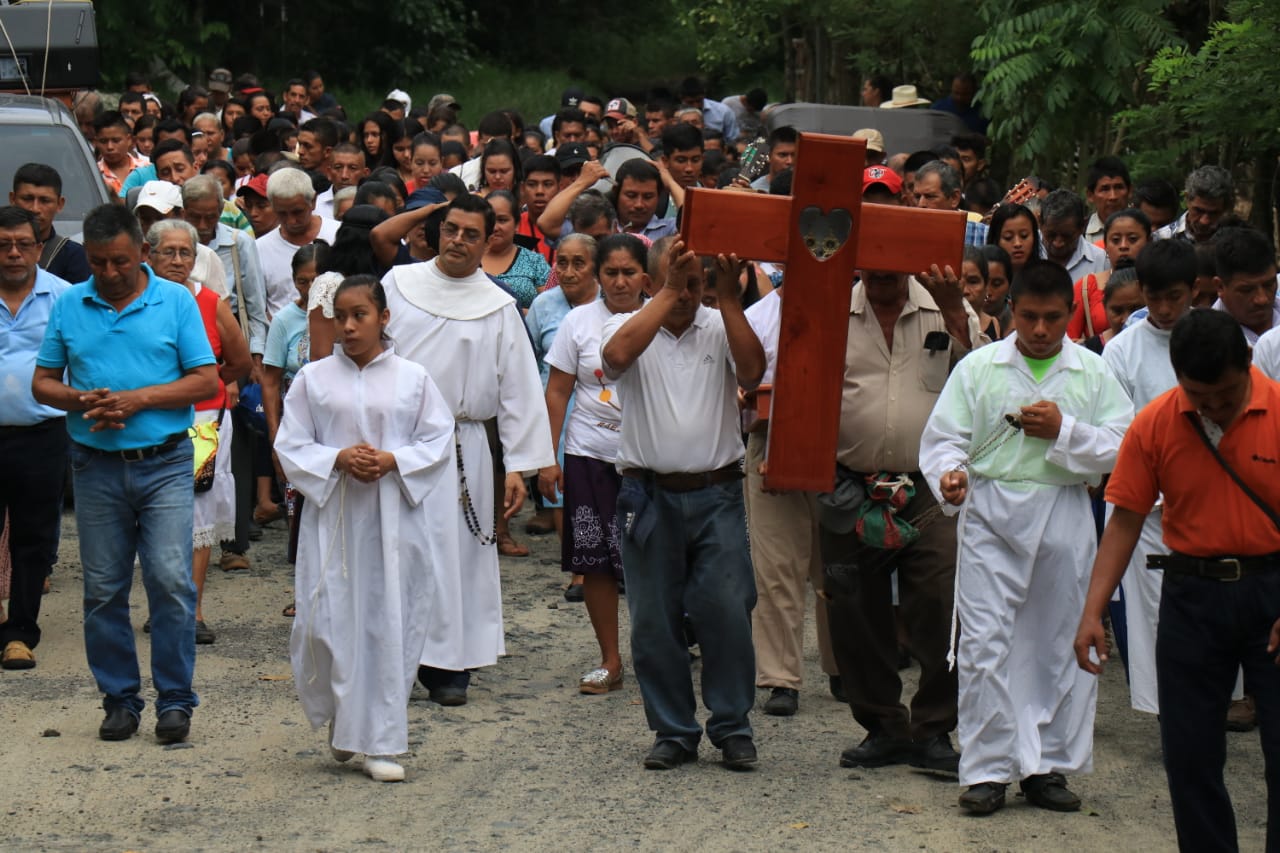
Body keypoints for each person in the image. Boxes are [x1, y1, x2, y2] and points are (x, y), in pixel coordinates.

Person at [920, 259, 1134, 814]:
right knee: (986, 642)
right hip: (992, 510)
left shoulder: (1091, 370)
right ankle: (987, 769)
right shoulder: (981, 367)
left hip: (1063, 511)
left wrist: (1065, 432)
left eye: (1054, 318)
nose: (1040, 330)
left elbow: (1123, 443)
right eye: (1030, 316)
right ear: (1011, 308)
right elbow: (944, 437)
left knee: (1059, 637)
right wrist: (949, 474)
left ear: (1070, 314)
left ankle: (1048, 766)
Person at [1075, 309, 1280, 851]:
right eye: (1198, 395)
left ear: (1247, 368)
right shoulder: (1157, 421)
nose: (1211, 407)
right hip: (1191, 597)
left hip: (1273, 592)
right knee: (1189, 756)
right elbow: (1123, 519)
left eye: (1224, 395)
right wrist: (1093, 612)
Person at [32, 204, 219, 743]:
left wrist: (138, 401)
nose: (109, 273)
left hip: (163, 462)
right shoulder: (71, 303)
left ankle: (175, 701)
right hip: (94, 467)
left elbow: (204, 379)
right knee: (103, 590)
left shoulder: (175, 301)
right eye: (97, 263)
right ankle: (119, 699)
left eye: (118, 261)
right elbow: (43, 382)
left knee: (170, 581)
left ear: (141, 251)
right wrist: (80, 399)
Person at [275, 275, 461, 784]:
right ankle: (344, 720)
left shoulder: (413, 378)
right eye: (342, 316)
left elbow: (438, 438)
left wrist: (392, 459)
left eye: (361, 315)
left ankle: (380, 740)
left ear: (384, 317)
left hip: (392, 519)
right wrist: (335, 457)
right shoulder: (314, 379)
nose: (350, 325)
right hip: (333, 517)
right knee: (325, 622)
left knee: (387, 622)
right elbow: (291, 443)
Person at [381, 194, 555, 706]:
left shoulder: (497, 306)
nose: (458, 240)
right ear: (438, 231)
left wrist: (520, 467)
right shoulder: (399, 284)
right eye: (451, 229)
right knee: (397, 547)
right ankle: (392, 656)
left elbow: (520, 389)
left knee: (456, 551)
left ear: (487, 240)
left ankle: (448, 663)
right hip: (399, 440)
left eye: (470, 233)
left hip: (463, 445)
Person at [600, 239, 765, 771]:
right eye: (678, 281)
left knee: (726, 611)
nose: (689, 294)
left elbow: (752, 373)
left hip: (716, 492)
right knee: (653, 618)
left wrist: (730, 300)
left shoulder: (720, 324)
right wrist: (670, 290)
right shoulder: (624, 327)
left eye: (697, 284)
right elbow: (616, 358)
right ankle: (672, 730)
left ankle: (733, 727)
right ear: (652, 283)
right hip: (646, 495)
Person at [821, 256, 982, 769]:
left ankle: (934, 729)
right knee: (853, 607)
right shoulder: (829, 310)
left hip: (932, 486)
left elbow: (986, 372)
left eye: (892, 257)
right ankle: (884, 727)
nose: (880, 268)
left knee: (940, 601)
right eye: (869, 258)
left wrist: (956, 310)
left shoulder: (944, 303)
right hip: (849, 483)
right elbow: (802, 383)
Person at [1093, 239, 1197, 716]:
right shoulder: (1121, 352)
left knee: (1207, 605)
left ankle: (1213, 701)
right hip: (1147, 504)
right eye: (1153, 297)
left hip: (1204, 498)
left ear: (1193, 291)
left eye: (1173, 297)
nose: (1162, 308)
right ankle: (1171, 712)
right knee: (1155, 613)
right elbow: (1120, 431)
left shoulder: (1211, 339)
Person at [539, 234, 646, 691]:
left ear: (646, 275)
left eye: (629, 272)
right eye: (611, 272)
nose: (620, 282)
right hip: (588, 455)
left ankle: (659, 655)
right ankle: (611, 660)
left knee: (651, 560)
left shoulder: (658, 318)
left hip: (646, 460)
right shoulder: (578, 322)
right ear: (598, 275)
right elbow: (558, 390)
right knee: (596, 561)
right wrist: (548, 457)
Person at [146, 219, 251, 645]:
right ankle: (161, 608)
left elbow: (241, 362)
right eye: (167, 252)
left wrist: (208, 386)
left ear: (196, 258)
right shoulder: (136, 301)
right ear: (148, 256)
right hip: (148, 421)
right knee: (152, 514)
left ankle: (192, 610)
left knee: (198, 515)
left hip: (202, 426)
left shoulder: (210, 301)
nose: (175, 260)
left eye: (184, 252)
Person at [0, 206, 72, 670]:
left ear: (38, 248)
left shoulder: (65, 298)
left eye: (23, 244)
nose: (12, 253)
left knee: (33, 538)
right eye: (3, 244)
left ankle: (20, 633)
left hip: (41, 436)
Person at [257, 168, 340, 317]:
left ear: (313, 201)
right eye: (282, 213)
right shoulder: (259, 249)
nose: (291, 221)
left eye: (297, 212)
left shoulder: (338, 235)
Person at [1068, 208, 1152, 341]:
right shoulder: (1086, 287)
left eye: (1132, 239)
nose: (1123, 246)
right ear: (1105, 245)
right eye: (1116, 240)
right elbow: (1069, 343)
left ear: (1149, 241)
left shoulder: (1161, 286)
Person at [9, 163, 92, 284]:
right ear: (13, 199)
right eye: (27, 199)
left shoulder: (75, 257)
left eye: (45, 201)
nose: (35, 209)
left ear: (60, 204)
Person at [481, 191, 550, 312]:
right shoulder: (469, 258)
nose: (495, 227)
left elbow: (551, 310)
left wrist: (514, 312)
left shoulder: (535, 262)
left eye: (502, 220)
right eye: (490, 220)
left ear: (517, 224)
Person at [1212, 225, 1280, 345]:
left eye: (1269, 285)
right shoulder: (1206, 341)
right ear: (1220, 287)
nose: (1262, 299)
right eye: (1247, 290)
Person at [1039, 189, 1110, 282]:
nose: (1058, 243)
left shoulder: (1100, 261)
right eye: (1051, 235)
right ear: (1040, 224)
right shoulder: (1026, 252)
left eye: (1067, 236)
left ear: (1082, 227)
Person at [1154, 165, 1234, 244]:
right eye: (1198, 210)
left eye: (1213, 213)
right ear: (1187, 199)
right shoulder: (1160, 240)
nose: (1204, 221)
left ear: (1225, 208)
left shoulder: (1235, 243)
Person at [1081, 268, 1144, 354]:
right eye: (1117, 311)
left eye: (1135, 310)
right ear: (1105, 307)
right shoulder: (1088, 353)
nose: (1126, 320)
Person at [1084, 158, 1133, 243]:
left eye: (1118, 187)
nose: (1113, 197)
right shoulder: (1079, 234)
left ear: (1130, 191)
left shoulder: (1146, 229)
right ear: (1090, 195)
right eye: (1105, 189)